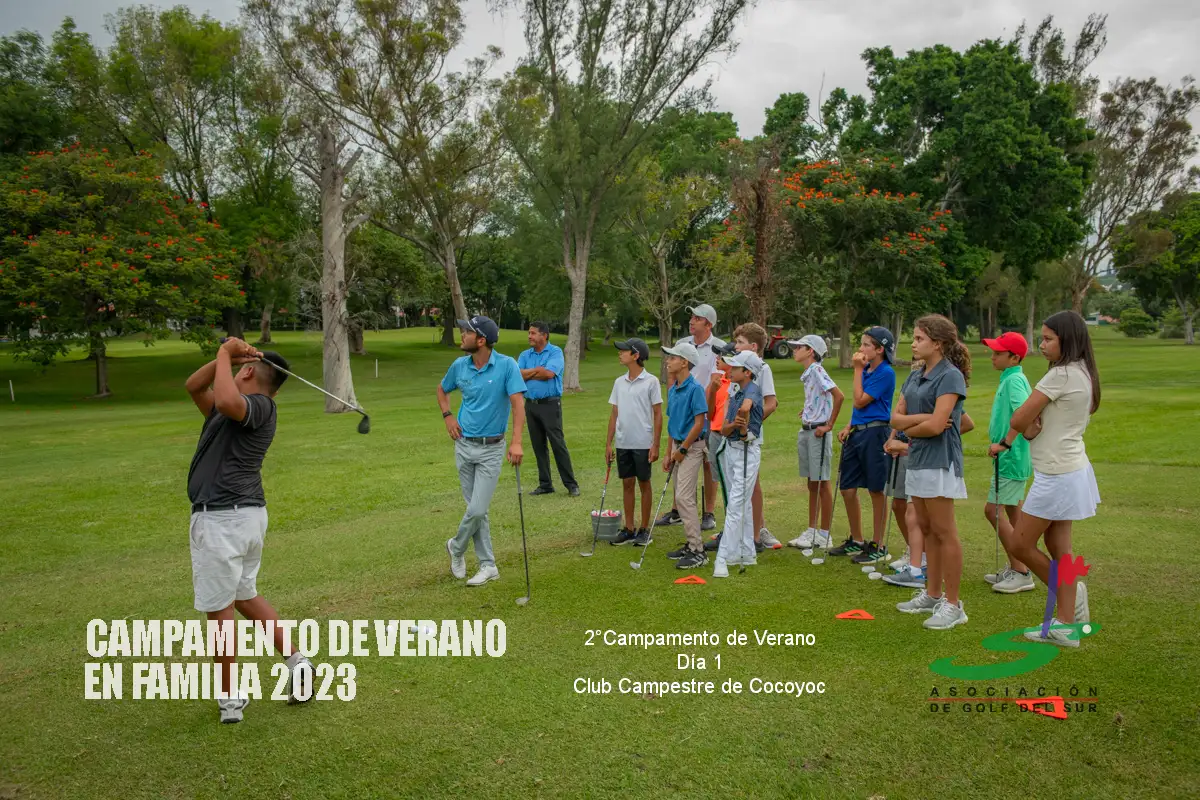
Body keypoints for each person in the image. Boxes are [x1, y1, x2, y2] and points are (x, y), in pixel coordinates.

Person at [184, 336, 312, 724]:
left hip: (224, 519)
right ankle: (298, 662)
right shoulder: (230, 411)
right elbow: (195, 387)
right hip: (239, 517)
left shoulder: (259, 406)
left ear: (249, 371)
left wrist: (226, 353)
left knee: (218, 609)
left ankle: (230, 697)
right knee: (243, 596)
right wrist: (225, 358)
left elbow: (226, 399)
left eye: (241, 368)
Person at [1007, 311, 1100, 647]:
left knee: (1019, 544)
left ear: (1067, 340)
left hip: (1058, 473)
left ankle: (1069, 598)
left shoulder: (1060, 374)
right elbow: (1030, 424)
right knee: (1059, 547)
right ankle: (1066, 622)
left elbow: (1018, 419)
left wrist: (1027, 427)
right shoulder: (1082, 370)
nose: (1041, 344)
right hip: (1070, 468)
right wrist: (1030, 428)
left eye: (1048, 339)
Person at [891, 315, 971, 630]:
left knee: (943, 530)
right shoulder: (915, 375)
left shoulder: (950, 376)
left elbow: (939, 426)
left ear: (937, 343)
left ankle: (954, 604)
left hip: (940, 461)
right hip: (918, 459)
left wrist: (912, 426)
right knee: (926, 529)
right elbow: (895, 419)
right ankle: (933, 594)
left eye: (919, 339)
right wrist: (922, 420)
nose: (913, 344)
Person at [437, 316, 526, 587]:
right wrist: (448, 416)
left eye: (467, 332)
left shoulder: (507, 366)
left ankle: (456, 546)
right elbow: (442, 389)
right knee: (478, 510)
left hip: (492, 449)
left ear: (481, 340)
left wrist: (517, 441)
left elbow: (518, 403)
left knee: (477, 509)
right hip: (464, 445)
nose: (462, 334)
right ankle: (488, 565)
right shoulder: (459, 365)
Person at [830, 327, 897, 564]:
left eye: (866, 345)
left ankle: (878, 544)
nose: (861, 349)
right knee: (847, 488)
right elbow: (859, 407)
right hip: (858, 432)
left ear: (880, 350)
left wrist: (857, 369)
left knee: (876, 490)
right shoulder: (867, 370)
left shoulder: (885, 372)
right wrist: (850, 425)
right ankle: (857, 540)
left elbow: (859, 401)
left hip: (876, 434)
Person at [658, 303, 726, 531]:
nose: (691, 321)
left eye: (697, 318)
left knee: (707, 462)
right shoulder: (682, 343)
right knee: (678, 457)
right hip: (682, 409)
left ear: (708, 324)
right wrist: (675, 400)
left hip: (706, 412)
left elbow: (716, 382)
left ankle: (708, 512)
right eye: (692, 317)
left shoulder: (718, 347)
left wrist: (698, 407)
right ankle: (677, 510)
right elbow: (672, 377)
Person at [982, 331, 1036, 593]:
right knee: (1015, 513)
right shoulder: (1011, 377)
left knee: (992, 511)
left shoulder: (1014, 380)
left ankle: (1021, 571)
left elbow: (1025, 414)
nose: (992, 357)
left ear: (1014, 357)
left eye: (998, 353)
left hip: (1011, 457)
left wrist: (1005, 443)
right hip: (1012, 457)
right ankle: (1020, 566)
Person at [786, 334, 843, 551]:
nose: (795, 350)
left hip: (818, 432)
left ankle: (824, 535)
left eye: (799, 347)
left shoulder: (817, 370)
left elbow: (839, 396)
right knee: (812, 482)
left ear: (811, 351)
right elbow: (820, 397)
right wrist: (809, 409)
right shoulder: (810, 373)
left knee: (821, 482)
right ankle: (812, 530)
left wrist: (829, 424)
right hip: (808, 429)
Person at [605, 338, 663, 546]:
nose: (620, 353)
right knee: (627, 483)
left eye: (624, 351)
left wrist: (655, 444)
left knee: (644, 483)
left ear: (636, 355)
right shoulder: (619, 382)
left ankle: (644, 529)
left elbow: (658, 414)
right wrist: (609, 443)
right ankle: (629, 528)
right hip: (623, 442)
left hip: (643, 442)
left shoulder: (651, 381)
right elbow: (614, 413)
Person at [713, 350, 765, 578]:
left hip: (747, 451)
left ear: (747, 372)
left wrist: (741, 425)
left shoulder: (752, 390)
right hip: (732, 449)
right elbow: (724, 428)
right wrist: (736, 425)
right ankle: (744, 552)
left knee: (735, 505)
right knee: (742, 504)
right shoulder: (735, 391)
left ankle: (723, 558)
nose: (731, 370)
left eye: (735, 368)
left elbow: (746, 409)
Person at [730, 323, 781, 550]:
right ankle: (737, 529)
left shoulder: (763, 368)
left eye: (740, 342)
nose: (735, 346)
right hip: (733, 434)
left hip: (749, 436)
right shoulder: (736, 367)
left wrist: (752, 423)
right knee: (737, 483)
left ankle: (757, 533)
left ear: (753, 346)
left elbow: (771, 402)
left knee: (753, 483)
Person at [660, 341, 710, 568]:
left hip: (693, 447)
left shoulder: (695, 389)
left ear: (684, 362)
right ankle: (691, 544)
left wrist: (682, 449)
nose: (668, 361)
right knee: (681, 496)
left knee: (684, 497)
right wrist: (669, 452)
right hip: (678, 446)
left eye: (672, 357)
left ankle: (698, 550)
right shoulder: (673, 389)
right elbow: (672, 424)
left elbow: (699, 423)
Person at [518, 321, 580, 497]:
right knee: (538, 446)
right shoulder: (525, 355)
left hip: (550, 404)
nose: (529, 336)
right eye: (529, 333)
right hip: (531, 405)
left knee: (557, 444)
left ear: (544, 335)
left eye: (533, 333)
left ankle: (571, 484)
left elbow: (549, 374)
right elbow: (518, 374)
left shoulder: (555, 352)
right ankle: (545, 484)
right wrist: (537, 370)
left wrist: (530, 373)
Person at [701, 342, 737, 554]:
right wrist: (713, 391)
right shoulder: (719, 381)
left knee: (732, 485)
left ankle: (733, 531)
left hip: (730, 437)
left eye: (721, 356)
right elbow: (710, 413)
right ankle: (728, 529)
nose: (716, 358)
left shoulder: (738, 383)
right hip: (715, 434)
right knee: (723, 484)